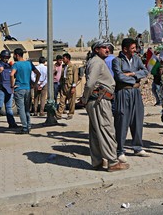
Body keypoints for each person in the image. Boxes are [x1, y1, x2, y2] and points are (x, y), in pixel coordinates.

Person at [81, 40, 129, 172]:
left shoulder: (96, 61)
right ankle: (112, 162)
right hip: (100, 100)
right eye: (104, 48)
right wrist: (85, 98)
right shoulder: (96, 62)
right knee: (106, 130)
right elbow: (90, 84)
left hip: (97, 100)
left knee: (96, 132)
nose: (107, 50)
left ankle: (97, 161)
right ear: (96, 49)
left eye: (108, 48)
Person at [112, 38, 150, 162]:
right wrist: (132, 78)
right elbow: (119, 76)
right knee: (122, 120)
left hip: (136, 93)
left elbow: (145, 71)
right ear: (125, 49)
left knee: (137, 119)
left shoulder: (137, 59)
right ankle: (120, 150)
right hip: (122, 93)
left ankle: (138, 147)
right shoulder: (116, 61)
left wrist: (132, 74)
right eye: (133, 48)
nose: (135, 50)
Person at [10, 48, 40, 134]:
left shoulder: (16, 65)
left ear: (17, 55)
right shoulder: (29, 63)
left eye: (14, 55)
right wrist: (35, 84)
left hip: (19, 88)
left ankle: (24, 127)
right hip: (28, 89)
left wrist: (12, 85)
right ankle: (29, 125)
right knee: (27, 109)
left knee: (21, 109)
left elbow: (11, 74)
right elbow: (38, 73)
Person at [56, 53, 78, 120]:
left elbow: (75, 78)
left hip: (70, 86)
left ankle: (70, 114)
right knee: (62, 101)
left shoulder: (73, 67)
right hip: (64, 86)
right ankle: (59, 114)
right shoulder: (63, 67)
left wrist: (73, 87)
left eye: (64, 58)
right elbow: (62, 77)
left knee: (71, 102)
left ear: (68, 59)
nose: (63, 60)